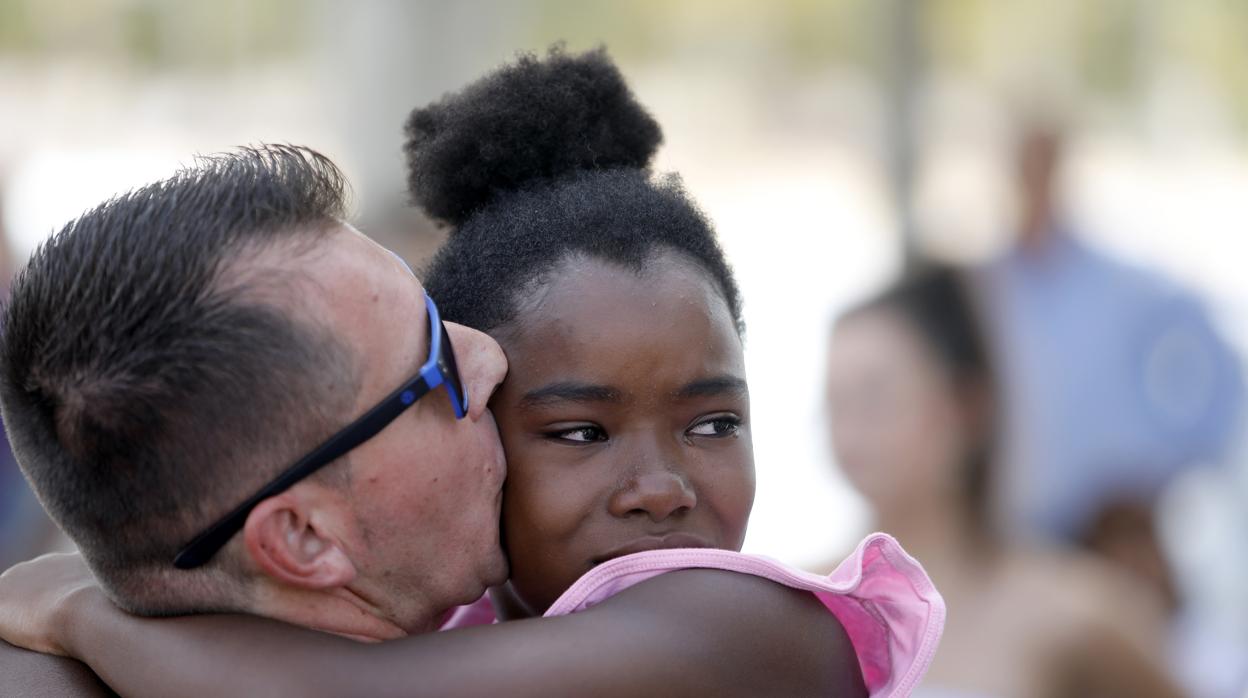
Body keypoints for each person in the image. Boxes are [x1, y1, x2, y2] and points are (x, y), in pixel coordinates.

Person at [0, 49, 942, 696]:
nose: (489, 362)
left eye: (714, 422)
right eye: (434, 365)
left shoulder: (750, 626)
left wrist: (86, 608)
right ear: (304, 537)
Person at [824, 264, 1185, 697]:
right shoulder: (804, 604)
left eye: (874, 398)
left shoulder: (1073, 612)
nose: (850, 433)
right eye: (835, 403)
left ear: (966, 407)